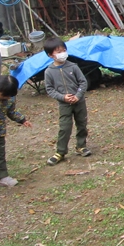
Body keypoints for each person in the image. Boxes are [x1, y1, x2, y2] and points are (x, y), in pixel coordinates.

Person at [43, 37, 91, 166]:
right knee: (65, 127)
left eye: (64, 50)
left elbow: (83, 82)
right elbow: (50, 89)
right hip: (64, 104)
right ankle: (61, 151)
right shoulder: (49, 71)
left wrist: (78, 95)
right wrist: (62, 97)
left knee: (82, 124)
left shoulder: (73, 66)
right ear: (50, 55)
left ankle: (81, 146)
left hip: (79, 102)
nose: (62, 53)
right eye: (58, 51)